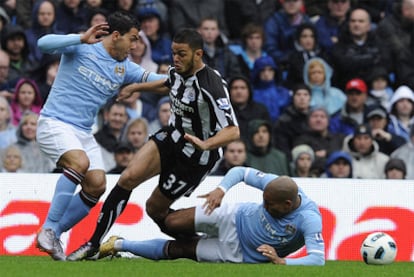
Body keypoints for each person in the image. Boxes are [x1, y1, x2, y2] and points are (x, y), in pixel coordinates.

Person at [67, 28, 240, 261]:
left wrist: (206, 143)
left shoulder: (212, 86)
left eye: (182, 54)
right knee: (127, 178)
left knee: (155, 210)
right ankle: (93, 244)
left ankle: (197, 244)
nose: (175, 59)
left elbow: (233, 130)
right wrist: (135, 87)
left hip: (195, 156)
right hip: (171, 137)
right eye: (173, 53)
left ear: (198, 55)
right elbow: (168, 83)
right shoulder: (178, 71)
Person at [34, 11, 166, 261]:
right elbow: (43, 44)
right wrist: (79, 38)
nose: (135, 45)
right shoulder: (82, 47)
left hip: (83, 133)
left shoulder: (125, 67)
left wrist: (186, 76)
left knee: (96, 185)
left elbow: (161, 81)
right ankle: (49, 227)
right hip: (55, 123)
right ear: (116, 36)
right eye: (133, 38)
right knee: (80, 163)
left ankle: (55, 235)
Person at [98, 166, 325, 266]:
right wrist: (221, 190)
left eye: (269, 205)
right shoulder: (276, 184)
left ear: (287, 204)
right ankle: (192, 240)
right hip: (234, 216)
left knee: (179, 250)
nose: (264, 206)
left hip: (240, 253)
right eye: (264, 201)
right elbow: (240, 172)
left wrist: (282, 261)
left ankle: (118, 244)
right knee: (172, 221)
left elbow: (317, 259)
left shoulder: (309, 219)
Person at [293, 107, 345, 177]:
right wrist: (328, 156)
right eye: (315, 116)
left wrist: (324, 154)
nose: (318, 119)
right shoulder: (301, 140)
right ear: (308, 120)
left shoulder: (338, 138)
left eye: (322, 116)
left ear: (328, 121)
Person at [273, 83, 312, 159]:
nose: (302, 98)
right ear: (293, 98)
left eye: (305, 95)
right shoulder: (284, 121)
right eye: (298, 95)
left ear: (310, 98)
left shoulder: (316, 117)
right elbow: (282, 146)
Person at [228, 75, 270, 143]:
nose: (239, 91)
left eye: (243, 88)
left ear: (249, 91)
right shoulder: (224, 112)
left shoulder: (260, 110)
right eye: (235, 88)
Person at [251, 56, 291, 123]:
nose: (266, 73)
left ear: (275, 71)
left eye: (270, 70)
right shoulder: (251, 94)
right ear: (257, 72)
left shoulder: (284, 93)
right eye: (262, 70)